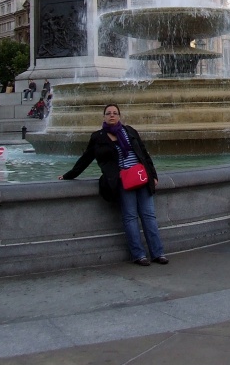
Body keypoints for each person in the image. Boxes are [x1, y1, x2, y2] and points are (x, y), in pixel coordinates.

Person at [59, 104, 168, 266]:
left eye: (115, 113)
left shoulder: (129, 131)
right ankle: (138, 255)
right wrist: (68, 175)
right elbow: (85, 159)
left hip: (141, 177)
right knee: (130, 217)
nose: (112, 116)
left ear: (119, 116)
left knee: (149, 216)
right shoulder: (98, 137)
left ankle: (157, 253)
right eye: (108, 113)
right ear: (104, 117)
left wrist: (153, 175)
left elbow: (144, 154)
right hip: (121, 180)